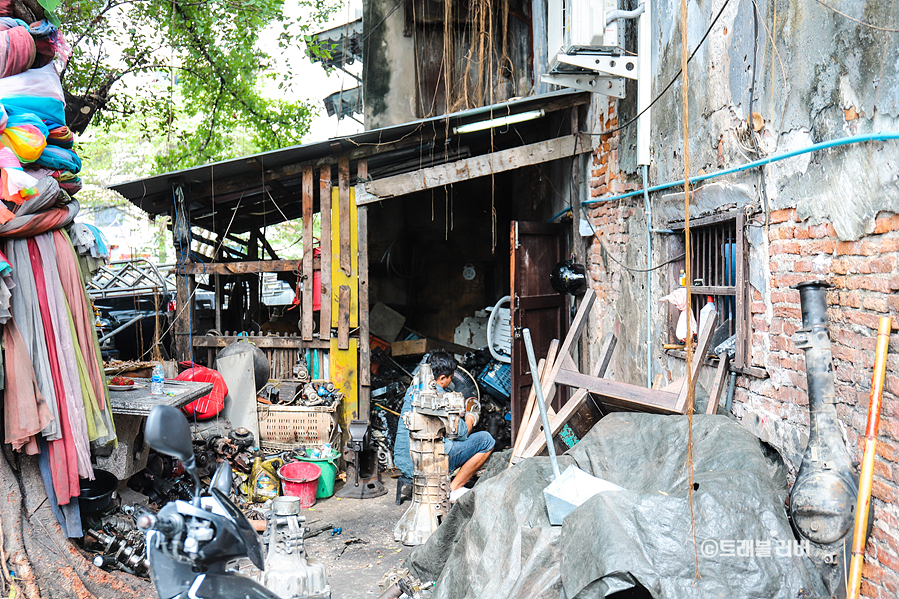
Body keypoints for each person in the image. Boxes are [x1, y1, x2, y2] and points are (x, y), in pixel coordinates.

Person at [393, 350, 495, 501]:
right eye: (451, 378)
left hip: (404, 460)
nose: (450, 382)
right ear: (441, 378)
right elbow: (462, 432)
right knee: (486, 440)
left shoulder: (414, 388)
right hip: (427, 463)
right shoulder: (440, 398)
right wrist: (472, 416)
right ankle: (452, 490)